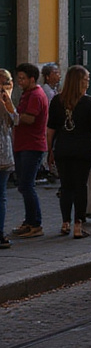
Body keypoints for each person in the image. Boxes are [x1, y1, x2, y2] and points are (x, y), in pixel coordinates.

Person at [46, 66, 91, 239]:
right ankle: (78, 225)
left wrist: (50, 151)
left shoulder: (57, 101)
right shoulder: (89, 102)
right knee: (80, 187)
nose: (88, 82)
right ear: (80, 81)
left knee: (66, 187)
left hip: (63, 148)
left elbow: (50, 130)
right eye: (86, 79)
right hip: (82, 149)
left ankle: (65, 223)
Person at [11, 62, 47, 238]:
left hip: (32, 146)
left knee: (27, 185)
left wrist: (12, 114)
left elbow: (30, 119)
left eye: (22, 78)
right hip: (23, 144)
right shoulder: (27, 93)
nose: (19, 81)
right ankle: (29, 220)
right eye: (18, 78)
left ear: (32, 79)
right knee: (23, 185)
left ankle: (36, 223)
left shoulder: (36, 95)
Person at [0, 69, 17, 249]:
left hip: (4, 155)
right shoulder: (5, 102)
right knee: (1, 196)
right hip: (3, 155)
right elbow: (15, 120)